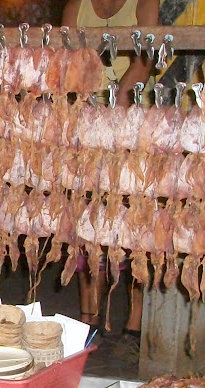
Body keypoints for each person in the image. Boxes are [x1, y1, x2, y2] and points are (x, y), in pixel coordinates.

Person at [62, 0, 158, 349]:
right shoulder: (77, 5)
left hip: (134, 122)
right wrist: (87, 98)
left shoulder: (144, 2)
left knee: (136, 228)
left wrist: (117, 97)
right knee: (87, 222)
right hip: (89, 123)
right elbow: (70, 59)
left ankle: (134, 322)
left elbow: (145, 59)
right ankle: (90, 316)